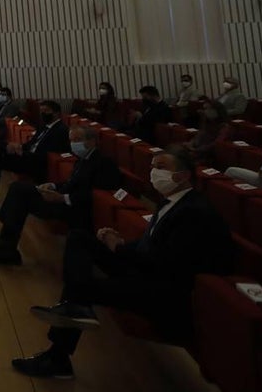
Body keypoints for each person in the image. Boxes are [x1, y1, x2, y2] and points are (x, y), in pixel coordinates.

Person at [12, 146, 234, 379]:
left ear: (184, 175)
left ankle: (58, 356)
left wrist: (118, 248)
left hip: (161, 291)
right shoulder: (175, 202)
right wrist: (118, 242)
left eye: (161, 167)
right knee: (79, 238)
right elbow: (150, 245)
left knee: (81, 289)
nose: (153, 172)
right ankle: (75, 308)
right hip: (145, 269)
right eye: (152, 167)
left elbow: (166, 264)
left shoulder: (194, 212)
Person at [0, 125, 121, 265]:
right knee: (17, 189)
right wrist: (52, 185)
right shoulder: (82, 159)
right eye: (71, 140)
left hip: (76, 209)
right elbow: (71, 183)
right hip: (62, 198)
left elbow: (97, 195)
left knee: (20, 194)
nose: (73, 144)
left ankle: (5, 246)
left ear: (92, 141)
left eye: (77, 140)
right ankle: (4, 244)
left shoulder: (104, 163)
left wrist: (62, 198)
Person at [0, 100, 69, 209]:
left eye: (46, 111)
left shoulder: (61, 130)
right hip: (28, 156)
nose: (42, 114)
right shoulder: (43, 126)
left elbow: (48, 153)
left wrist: (23, 152)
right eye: (41, 111)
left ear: (56, 113)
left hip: (37, 163)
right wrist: (18, 146)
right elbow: (31, 143)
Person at [184, 101, 231, 165]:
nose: (206, 111)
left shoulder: (224, 127)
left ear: (217, 110)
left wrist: (196, 149)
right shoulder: (206, 123)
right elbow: (199, 135)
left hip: (209, 155)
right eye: (205, 109)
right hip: (198, 151)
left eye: (209, 109)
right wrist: (191, 143)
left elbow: (216, 144)